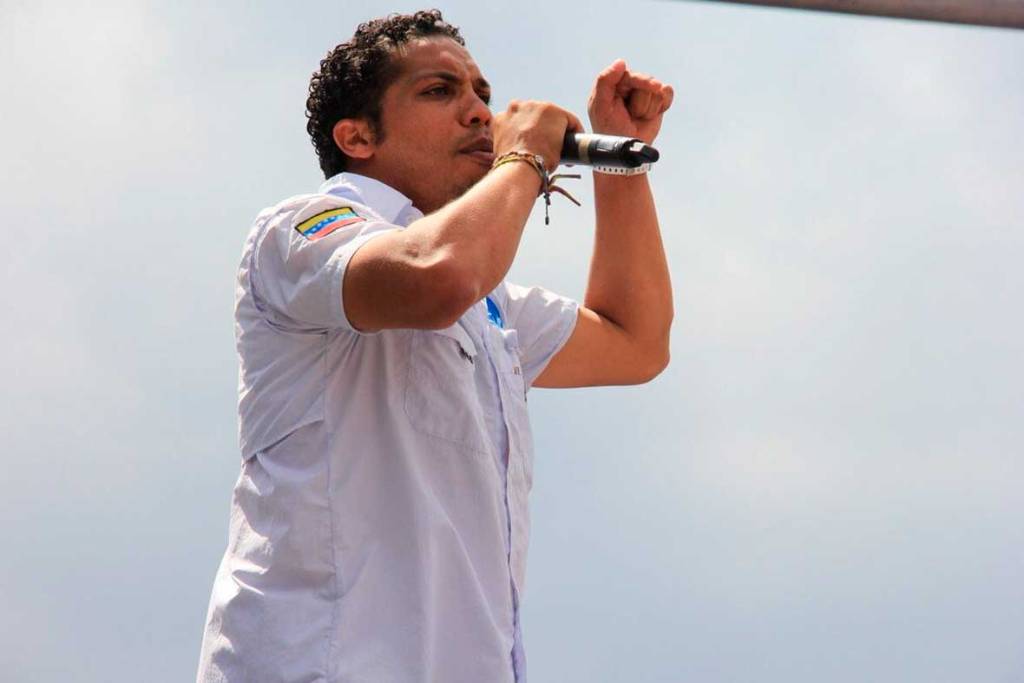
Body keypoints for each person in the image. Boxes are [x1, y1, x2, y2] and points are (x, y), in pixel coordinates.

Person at [196, 9, 674, 683]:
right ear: (358, 136)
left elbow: (635, 340)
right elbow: (436, 276)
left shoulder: (490, 304)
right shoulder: (302, 230)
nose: (479, 112)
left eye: (482, 92)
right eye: (439, 90)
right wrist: (524, 158)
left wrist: (622, 167)